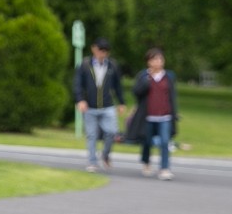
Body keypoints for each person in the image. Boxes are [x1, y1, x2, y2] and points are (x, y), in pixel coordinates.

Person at [73, 37, 128, 173]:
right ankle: (92, 161)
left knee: (111, 132)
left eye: (104, 51)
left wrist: (121, 102)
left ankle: (105, 154)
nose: (101, 54)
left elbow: (118, 86)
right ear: (93, 49)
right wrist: (80, 99)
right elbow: (78, 84)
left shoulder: (112, 66)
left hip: (107, 105)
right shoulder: (85, 65)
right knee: (91, 135)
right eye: (99, 50)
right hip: (90, 106)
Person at [127, 47, 179, 181]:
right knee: (147, 141)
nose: (158, 62)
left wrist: (174, 113)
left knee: (165, 141)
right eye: (155, 59)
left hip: (165, 116)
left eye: (160, 59)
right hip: (148, 115)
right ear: (149, 62)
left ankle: (164, 168)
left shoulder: (168, 77)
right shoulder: (144, 76)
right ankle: (146, 162)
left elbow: (172, 96)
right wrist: (147, 81)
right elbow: (136, 92)